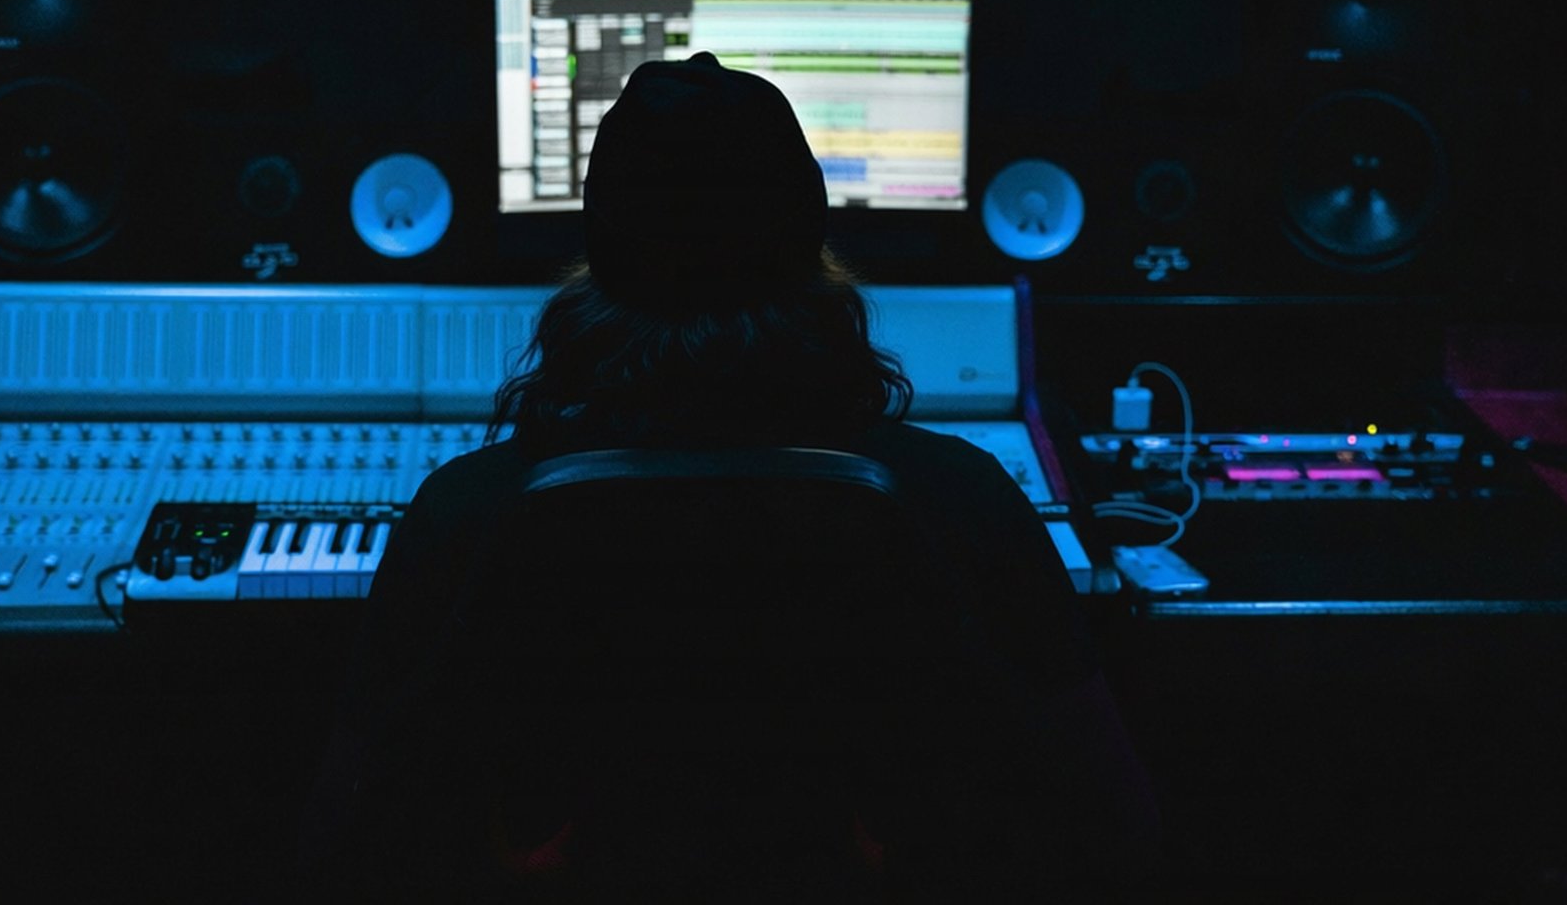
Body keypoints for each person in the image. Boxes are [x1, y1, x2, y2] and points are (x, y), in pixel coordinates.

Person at [296, 51, 1158, 902]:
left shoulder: (469, 507)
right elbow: (1110, 813)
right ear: (812, 241)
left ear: (599, 251)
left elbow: (351, 824)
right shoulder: (959, 495)